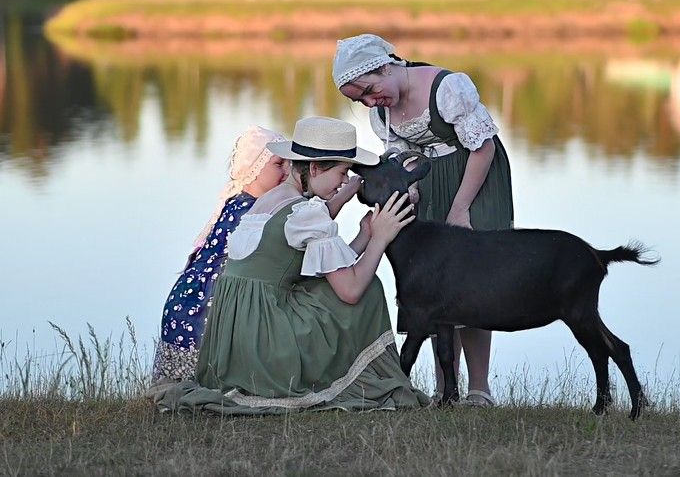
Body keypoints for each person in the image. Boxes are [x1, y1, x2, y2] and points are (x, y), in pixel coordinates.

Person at [148, 117, 430, 414]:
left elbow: (328, 263)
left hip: (234, 337)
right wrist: (381, 238)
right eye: (343, 172)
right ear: (314, 168)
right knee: (369, 287)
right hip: (265, 340)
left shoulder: (271, 200)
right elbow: (350, 290)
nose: (346, 182)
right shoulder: (306, 214)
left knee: (324, 286)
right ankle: (353, 375)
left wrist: (363, 235)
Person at [332, 33, 514, 407]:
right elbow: (401, 158)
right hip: (428, 183)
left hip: (473, 179)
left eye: (370, 90)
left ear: (386, 66)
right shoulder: (381, 111)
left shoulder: (448, 88)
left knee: (474, 281)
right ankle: (445, 386)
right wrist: (410, 191)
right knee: (432, 284)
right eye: (360, 99)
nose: (370, 101)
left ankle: (479, 389)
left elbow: (484, 148)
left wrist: (460, 209)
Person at [151, 126, 289, 382]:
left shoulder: (236, 202)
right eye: (279, 164)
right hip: (202, 312)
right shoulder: (251, 213)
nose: (286, 173)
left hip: (183, 305)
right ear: (255, 168)